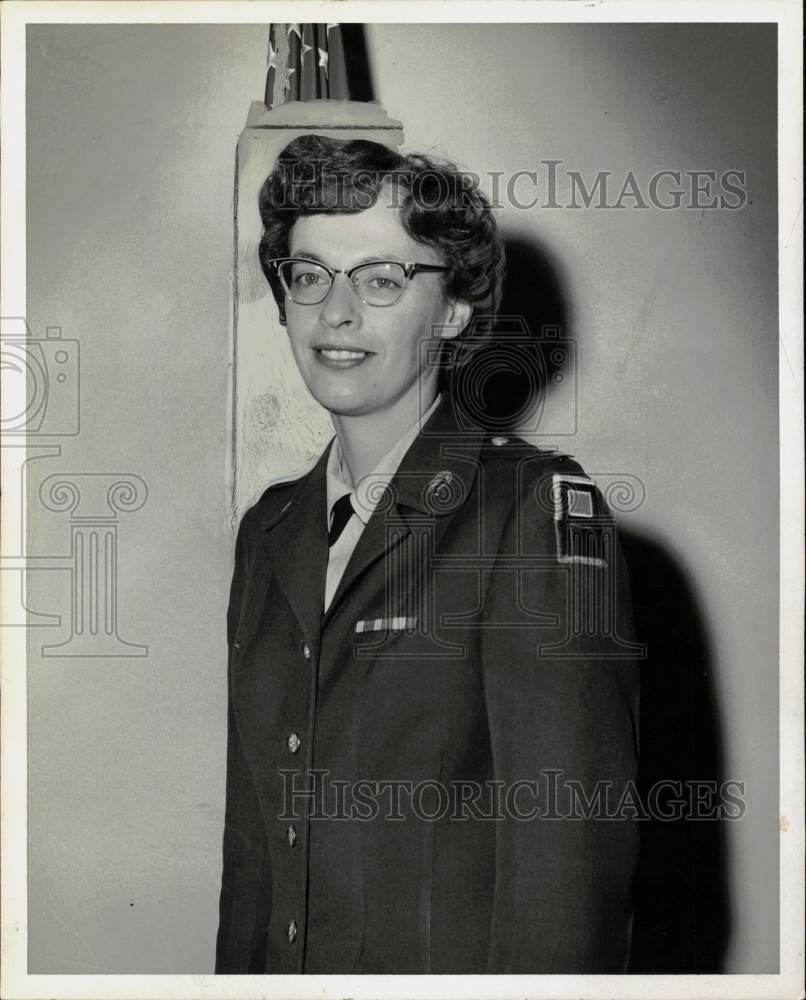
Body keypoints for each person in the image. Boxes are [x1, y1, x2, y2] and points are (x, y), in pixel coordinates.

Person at [215, 134, 641, 975]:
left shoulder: (528, 511)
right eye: (309, 275)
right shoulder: (269, 532)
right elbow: (255, 859)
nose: (336, 314)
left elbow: (569, 877)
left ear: (451, 309)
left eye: (381, 280)